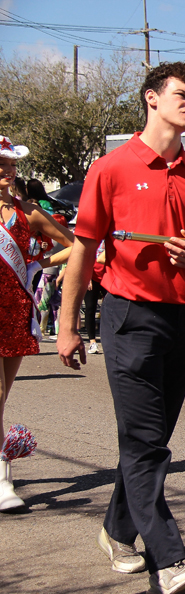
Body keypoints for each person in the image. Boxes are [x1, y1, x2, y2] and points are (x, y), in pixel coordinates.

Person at [57, 61, 185, 594]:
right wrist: (67, 327)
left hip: (183, 319)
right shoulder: (110, 167)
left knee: (149, 441)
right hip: (129, 317)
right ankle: (170, 559)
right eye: (182, 95)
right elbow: (83, 251)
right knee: (145, 442)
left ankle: (115, 531)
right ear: (151, 99)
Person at [0, 134, 74, 513]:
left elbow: (74, 243)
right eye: (1, 164)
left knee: (2, 396)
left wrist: (39, 264)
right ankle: (2, 476)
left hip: (14, 309)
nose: (8, 171)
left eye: (11, 164)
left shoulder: (28, 211)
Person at [84, 242, 107, 355]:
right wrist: (87, 276)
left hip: (108, 276)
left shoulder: (113, 237)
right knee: (90, 308)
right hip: (92, 276)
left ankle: (108, 338)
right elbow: (85, 256)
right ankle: (92, 341)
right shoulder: (95, 239)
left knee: (110, 308)